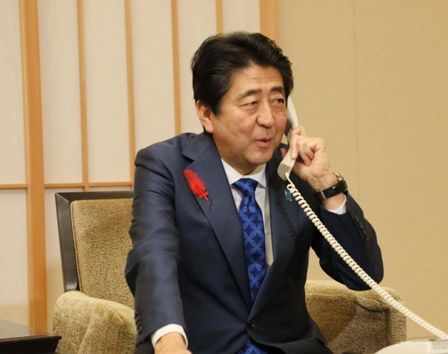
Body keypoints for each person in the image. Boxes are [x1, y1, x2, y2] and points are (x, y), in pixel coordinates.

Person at [125, 31, 383, 354]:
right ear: (206, 113)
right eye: (250, 104)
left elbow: (365, 276)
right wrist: (169, 341)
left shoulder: (294, 172)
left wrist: (326, 185)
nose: (268, 119)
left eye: (277, 102)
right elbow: (153, 256)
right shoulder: (165, 165)